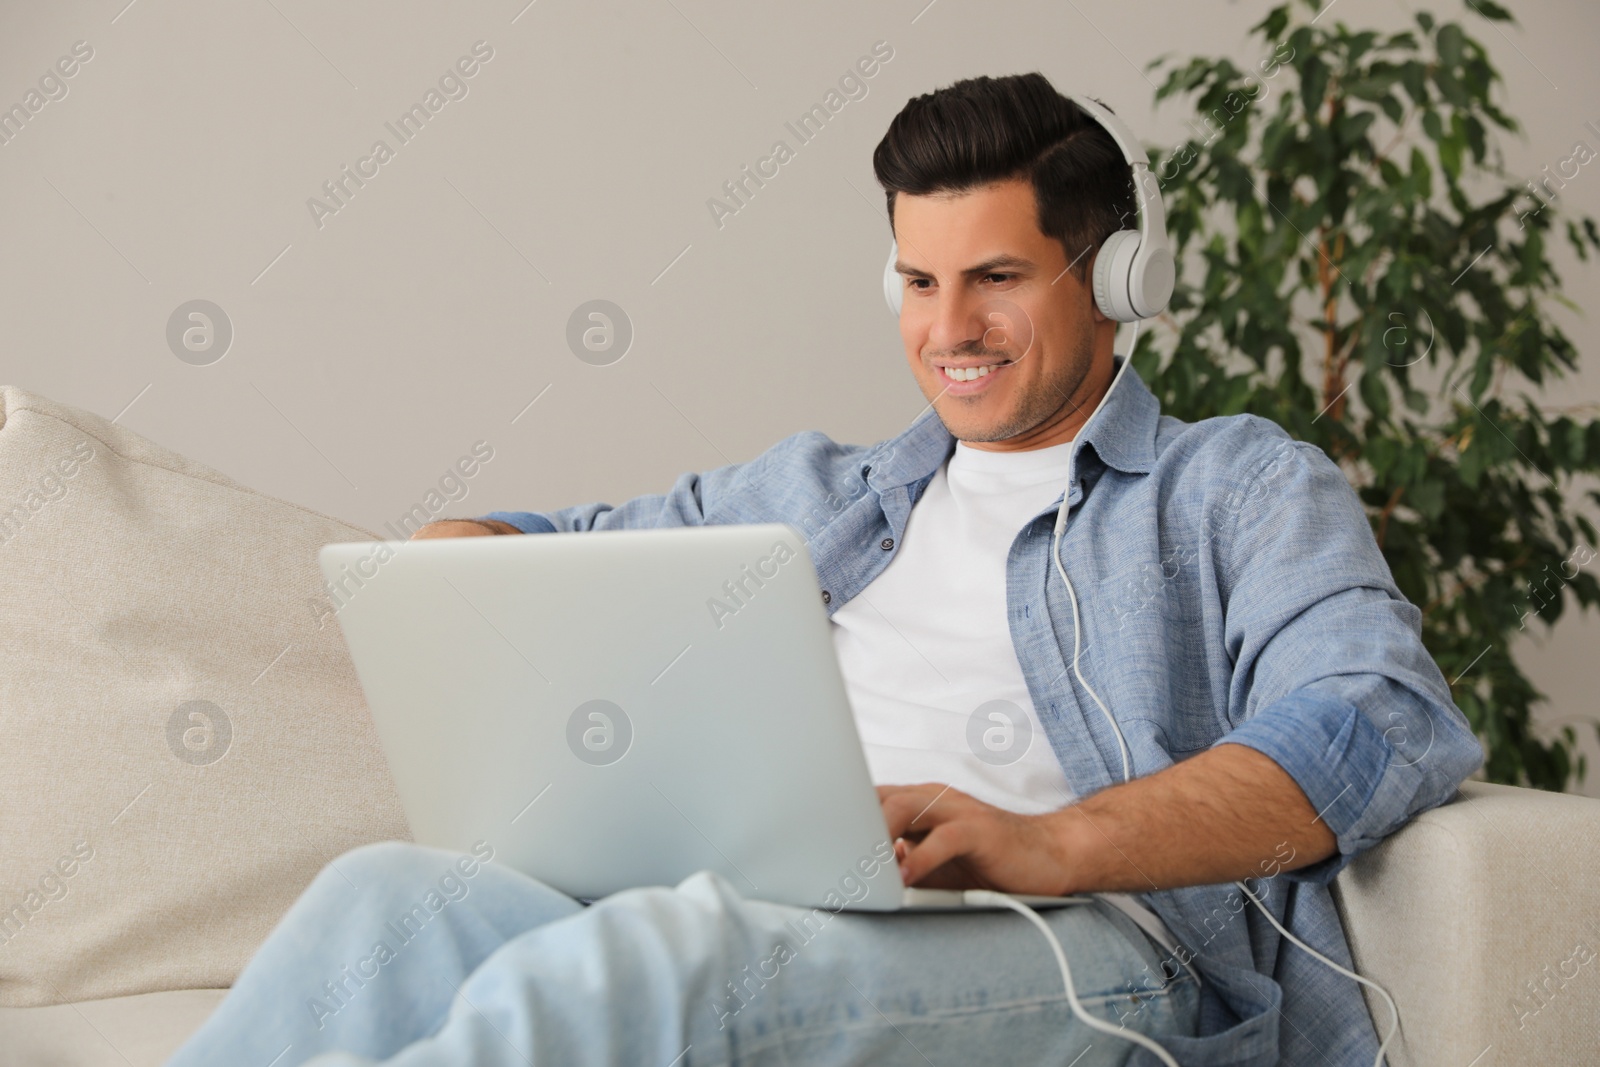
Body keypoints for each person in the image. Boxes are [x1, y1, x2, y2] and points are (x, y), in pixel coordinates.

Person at [167, 72, 1482, 1067]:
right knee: (386, 895)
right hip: (789, 904)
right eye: (917, 280)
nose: (949, 329)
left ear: (1121, 278)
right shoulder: (830, 492)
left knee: (652, 962)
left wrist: (1047, 842)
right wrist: (458, 573)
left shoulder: (1236, 484)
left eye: (997, 278)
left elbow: (1382, 715)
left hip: (1088, 952)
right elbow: (536, 549)